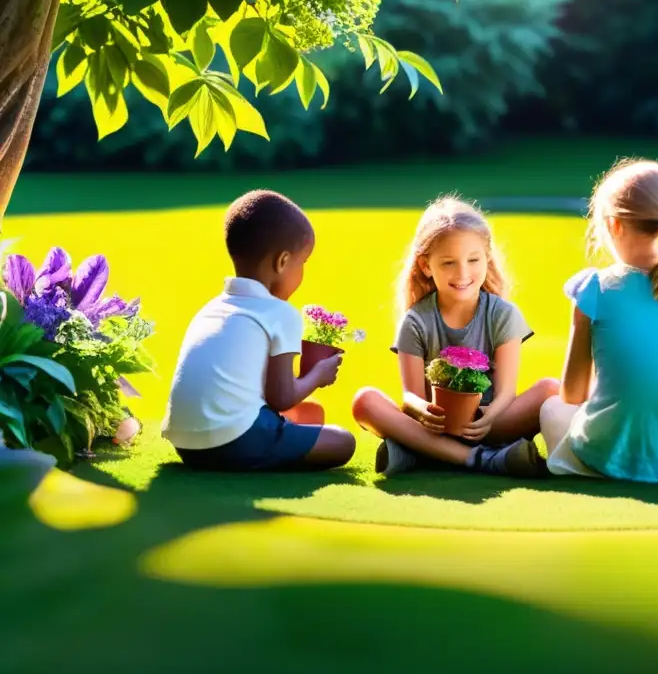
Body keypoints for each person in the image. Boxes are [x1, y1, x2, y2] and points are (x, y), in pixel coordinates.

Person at [539, 159, 658, 482]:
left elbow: (572, 395)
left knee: (551, 407)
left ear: (614, 225)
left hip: (610, 457)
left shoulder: (595, 290)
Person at [351, 196, 557, 478]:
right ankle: (481, 460)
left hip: (488, 424)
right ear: (426, 266)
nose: (462, 273)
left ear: (487, 256)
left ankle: (420, 453)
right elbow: (412, 396)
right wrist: (424, 412)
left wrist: (489, 418)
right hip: (434, 426)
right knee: (364, 402)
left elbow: (507, 391)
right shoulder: (415, 321)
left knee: (551, 390)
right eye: (448, 263)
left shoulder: (503, 314)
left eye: (473, 260)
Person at [161, 190, 356, 471]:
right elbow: (281, 397)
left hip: (187, 446)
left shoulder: (210, 310)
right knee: (343, 441)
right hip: (235, 442)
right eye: (303, 263)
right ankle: (270, 448)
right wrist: (318, 375)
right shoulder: (280, 314)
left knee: (311, 413)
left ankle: (276, 437)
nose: (302, 272)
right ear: (283, 262)